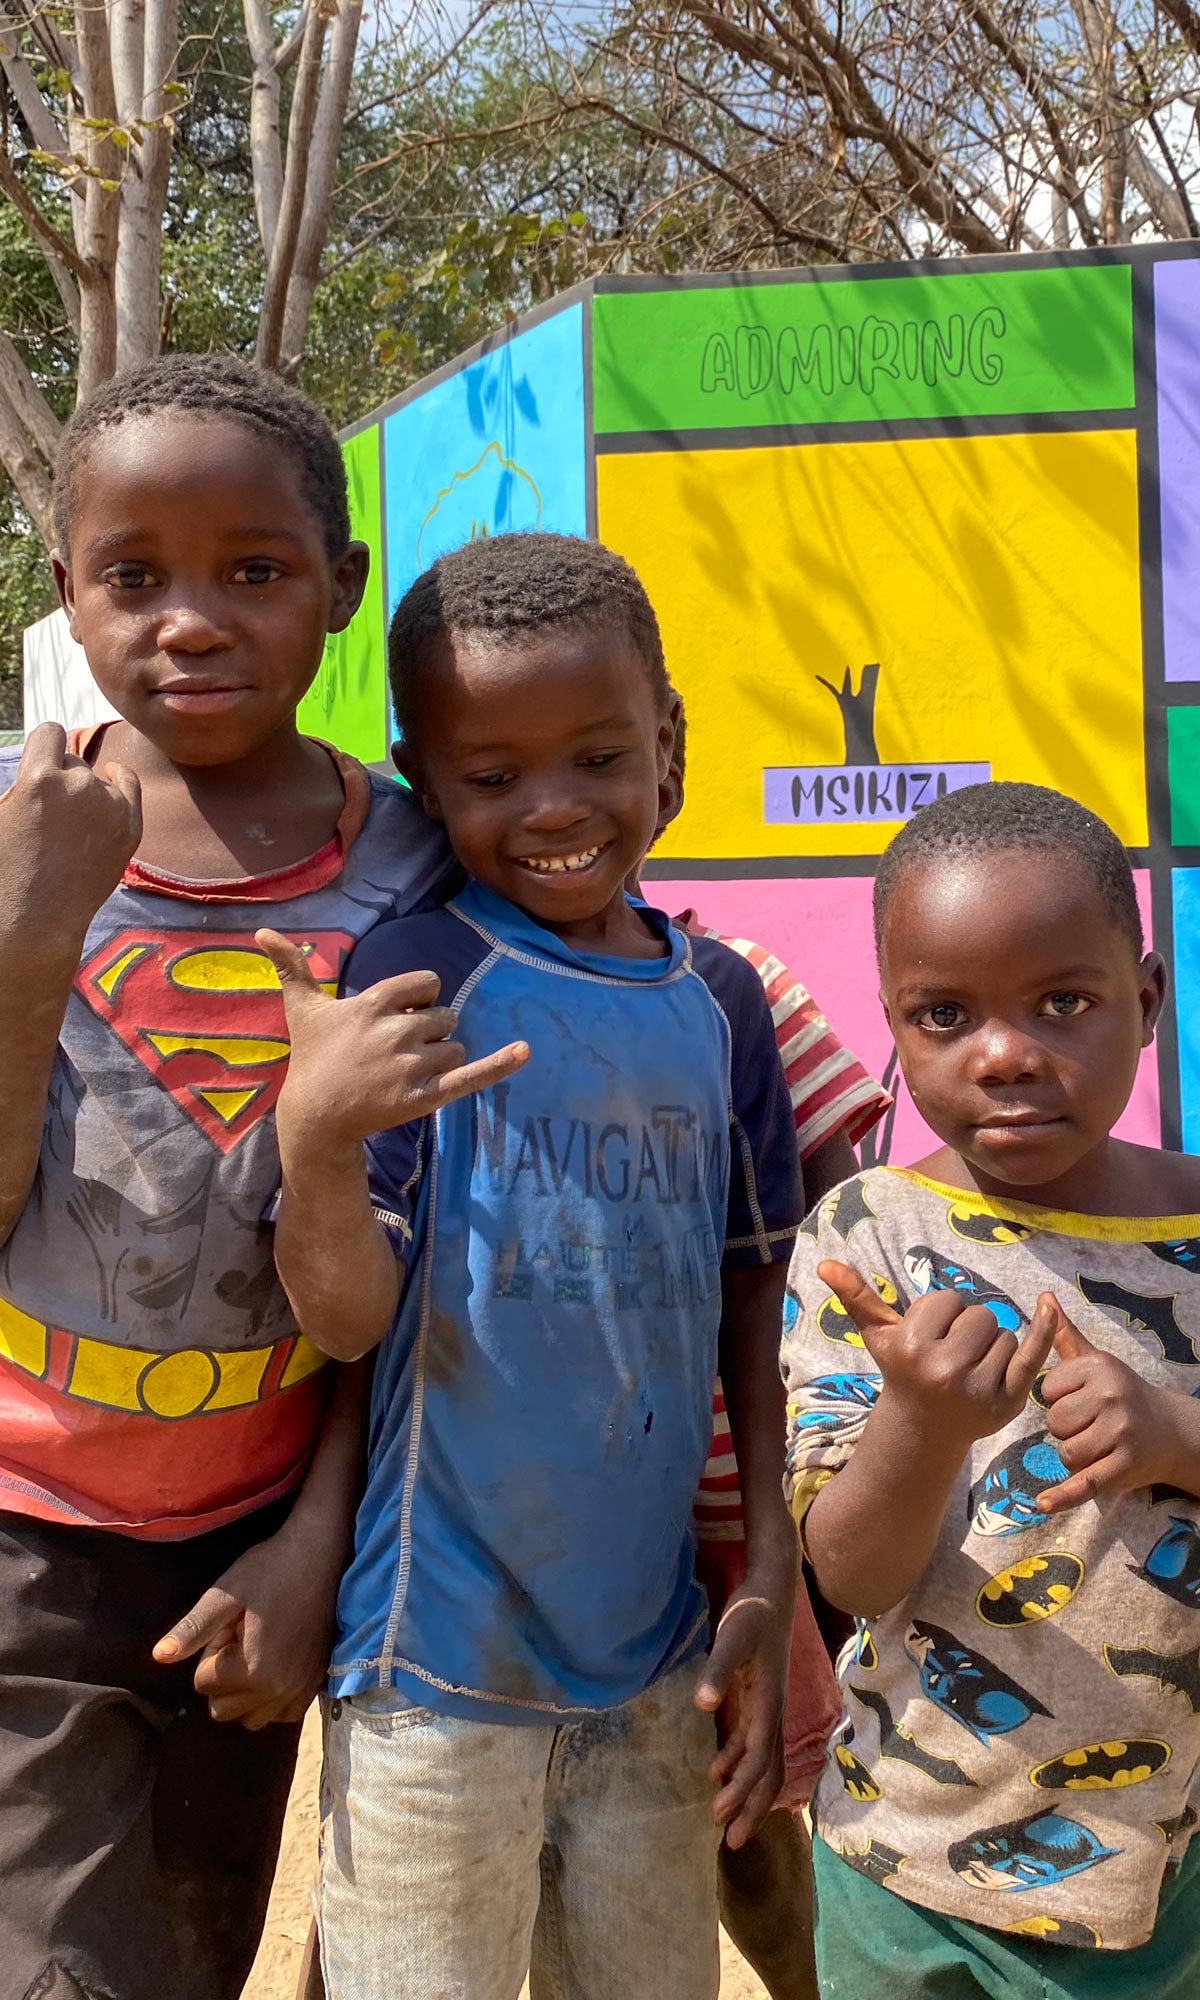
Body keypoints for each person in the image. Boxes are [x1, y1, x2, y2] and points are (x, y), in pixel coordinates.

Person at [264, 530, 804, 2000]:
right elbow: (348, 1315)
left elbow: (755, 1297)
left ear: (669, 745)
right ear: (421, 777)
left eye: (596, 758)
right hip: (436, 1664)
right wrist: (315, 1147)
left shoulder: (723, 1002)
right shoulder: (417, 977)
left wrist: (771, 1566)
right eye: (493, 779)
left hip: (655, 1671)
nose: (554, 810)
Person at [0, 353, 451, 2000]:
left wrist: (312, 1538)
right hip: (25, 1530)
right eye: (136, 577)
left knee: (195, 1951)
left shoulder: (415, 869)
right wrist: (31, 936)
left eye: (252, 572)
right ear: (67, 593)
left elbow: (410, 1266)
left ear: (340, 587)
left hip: (259, 1535)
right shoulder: (13, 833)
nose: (190, 621)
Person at [783, 780, 1200, 2000]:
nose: (1007, 1052)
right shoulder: (868, 1234)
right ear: (896, 1030)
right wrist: (918, 1422)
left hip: (1167, 1879)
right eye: (945, 1013)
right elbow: (850, 1576)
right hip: (907, 1871)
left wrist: (1175, 1430)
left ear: (1149, 997)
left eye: (1062, 1002)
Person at [631, 721, 890, 2000]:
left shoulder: (742, 987)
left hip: (735, 1504)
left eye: (598, 762)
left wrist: (788, 1523)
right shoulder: (441, 990)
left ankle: (804, 1983)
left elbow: (845, 1232)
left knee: (748, 1809)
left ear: (666, 772)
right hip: (526, 1519)